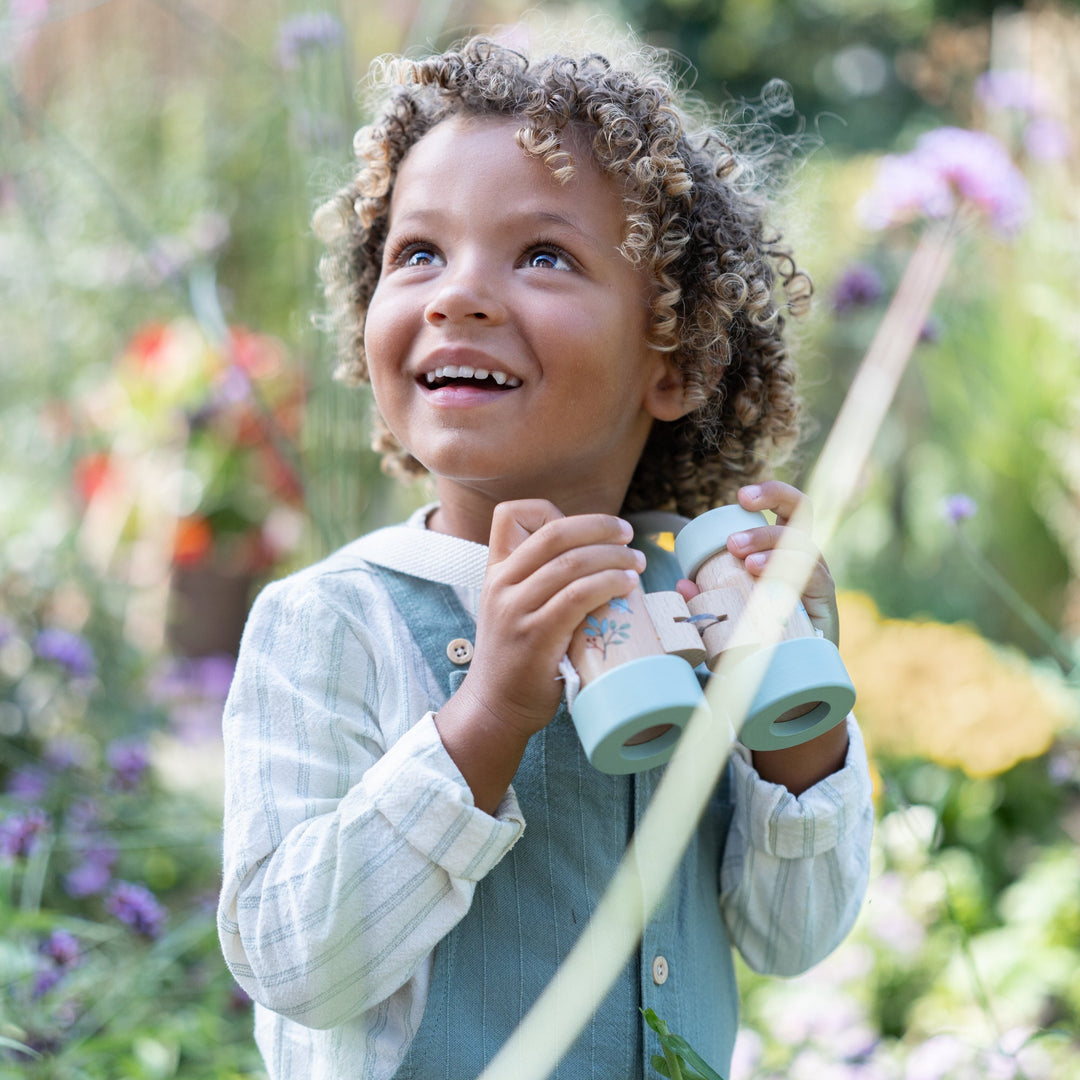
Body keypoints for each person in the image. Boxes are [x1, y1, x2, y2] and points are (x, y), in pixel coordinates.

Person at [217, 34, 874, 1080]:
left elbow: (792, 939)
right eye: (417, 252)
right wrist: (485, 723)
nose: (456, 295)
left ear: (680, 359)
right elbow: (296, 965)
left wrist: (798, 725)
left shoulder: (700, 595)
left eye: (542, 256)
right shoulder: (334, 620)